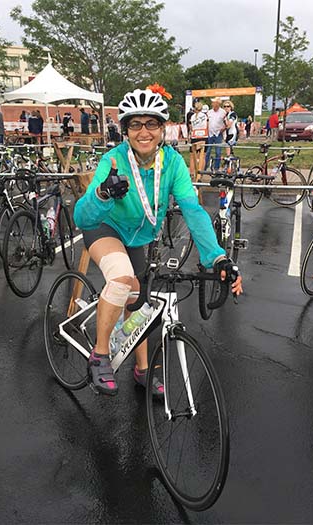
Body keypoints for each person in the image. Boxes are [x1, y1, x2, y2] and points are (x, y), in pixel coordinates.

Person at [73, 85, 244, 396]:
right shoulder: (113, 161)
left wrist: (216, 257)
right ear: (125, 130)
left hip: (140, 237)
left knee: (140, 303)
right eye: (135, 124)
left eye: (151, 123)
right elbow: (82, 217)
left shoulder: (173, 163)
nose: (143, 132)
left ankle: (143, 370)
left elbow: (192, 211)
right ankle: (100, 355)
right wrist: (102, 194)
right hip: (105, 229)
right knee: (123, 279)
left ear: (162, 128)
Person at [206, 97, 227, 170]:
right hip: (210, 133)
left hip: (218, 134)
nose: (212, 104)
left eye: (214, 102)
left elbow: (226, 123)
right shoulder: (209, 112)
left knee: (218, 151)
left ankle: (216, 168)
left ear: (217, 104)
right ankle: (205, 166)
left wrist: (223, 129)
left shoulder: (223, 112)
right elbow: (207, 121)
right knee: (208, 151)